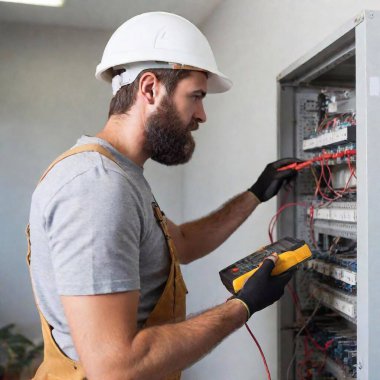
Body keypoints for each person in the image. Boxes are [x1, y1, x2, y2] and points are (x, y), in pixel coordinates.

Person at [27, 11, 299, 380]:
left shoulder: (121, 175)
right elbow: (116, 367)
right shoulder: (97, 185)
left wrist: (255, 193)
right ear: (150, 88)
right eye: (196, 96)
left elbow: (181, 243)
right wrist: (242, 306)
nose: (202, 114)